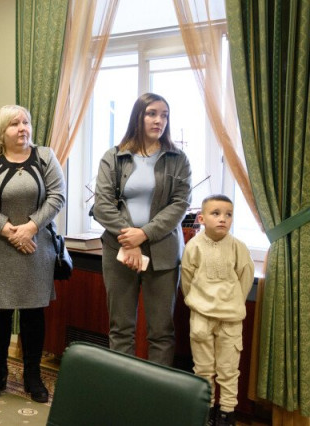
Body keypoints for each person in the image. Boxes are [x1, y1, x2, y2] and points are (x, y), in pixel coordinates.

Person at [0, 105, 65, 403]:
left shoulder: (45, 157)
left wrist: (30, 228)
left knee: (34, 313)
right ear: (1, 132)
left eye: (26, 122)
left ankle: (32, 375)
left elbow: (57, 196)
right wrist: (11, 232)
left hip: (37, 246)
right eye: (14, 124)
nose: (23, 128)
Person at [93, 92, 192, 366]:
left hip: (163, 252)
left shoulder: (178, 159)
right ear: (138, 116)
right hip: (119, 250)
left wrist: (144, 233)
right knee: (120, 328)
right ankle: (123, 387)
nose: (159, 120)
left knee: (161, 331)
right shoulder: (114, 157)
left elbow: (180, 204)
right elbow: (102, 205)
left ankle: (155, 388)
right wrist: (130, 240)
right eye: (152, 113)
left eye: (164, 115)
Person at [181, 195, 254, 426]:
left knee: (228, 369)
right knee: (203, 369)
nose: (223, 219)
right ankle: (207, 410)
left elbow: (245, 278)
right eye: (216, 213)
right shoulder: (193, 246)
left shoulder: (238, 247)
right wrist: (196, 302)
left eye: (228, 214)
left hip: (230, 319)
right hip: (201, 317)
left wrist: (233, 303)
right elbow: (187, 280)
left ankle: (226, 414)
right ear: (202, 218)